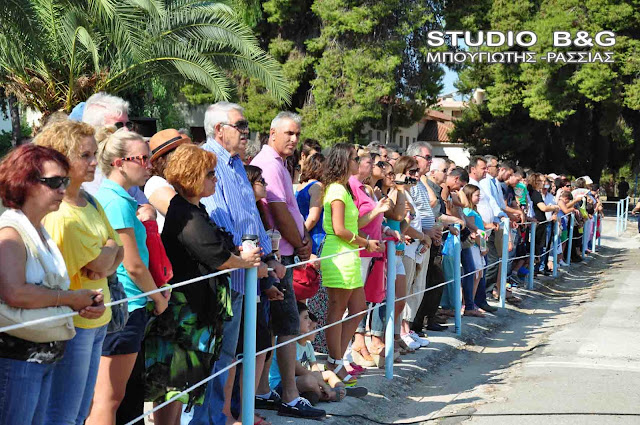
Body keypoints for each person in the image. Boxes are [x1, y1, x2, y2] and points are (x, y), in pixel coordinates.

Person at [144, 145, 261, 424]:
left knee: (181, 387)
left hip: (196, 311)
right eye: (210, 174)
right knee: (173, 384)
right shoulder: (184, 212)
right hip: (184, 314)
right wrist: (243, 261)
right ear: (193, 176)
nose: (215, 179)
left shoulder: (195, 209)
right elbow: (216, 257)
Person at [193, 102, 289, 425]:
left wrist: (269, 257)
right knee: (217, 354)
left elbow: (250, 217)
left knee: (231, 353)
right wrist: (246, 259)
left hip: (246, 272)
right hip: (226, 273)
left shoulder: (236, 164)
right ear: (219, 130)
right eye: (241, 126)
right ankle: (211, 420)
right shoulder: (208, 161)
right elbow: (218, 219)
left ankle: (222, 416)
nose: (247, 132)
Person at [0, 144, 104, 425]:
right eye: (54, 182)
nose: (62, 189)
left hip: (42, 355)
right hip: (18, 358)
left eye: (65, 181)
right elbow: (14, 292)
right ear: (23, 182)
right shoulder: (10, 232)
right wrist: (71, 299)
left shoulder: (37, 229)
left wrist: (81, 301)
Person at [32, 121, 123, 425]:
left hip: (98, 318)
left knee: (81, 412)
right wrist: (107, 253)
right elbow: (105, 261)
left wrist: (106, 254)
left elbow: (116, 254)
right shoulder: (61, 215)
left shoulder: (90, 201)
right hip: (74, 323)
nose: (94, 162)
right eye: (85, 155)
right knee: (64, 414)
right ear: (60, 158)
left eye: (94, 154)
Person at [87, 128, 170, 425]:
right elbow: (133, 264)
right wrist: (158, 299)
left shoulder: (115, 197)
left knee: (112, 398)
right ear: (119, 162)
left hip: (126, 303)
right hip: (127, 306)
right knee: (108, 399)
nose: (149, 165)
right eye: (142, 158)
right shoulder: (117, 201)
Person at [251, 112, 326, 419]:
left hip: (283, 254)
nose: (294, 139)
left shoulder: (278, 163)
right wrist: (300, 242)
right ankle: (290, 397)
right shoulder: (269, 163)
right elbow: (278, 211)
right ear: (272, 133)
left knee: (276, 327)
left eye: (297, 134)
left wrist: (301, 240)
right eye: (289, 133)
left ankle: (263, 391)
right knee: (286, 326)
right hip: (278, 256)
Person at [321, 143, 382, 386]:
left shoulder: (343, 188)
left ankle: (336, 358)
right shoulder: (337, 189)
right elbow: (339, 229)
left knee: (358, 308)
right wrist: (365, 243)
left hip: (348, 253)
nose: (358, 162)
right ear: (344, 161)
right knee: (337, 309)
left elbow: (348, 226)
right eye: (355, 158)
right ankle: (335, 361)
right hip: (339, 254)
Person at [405, 142, 439, 337]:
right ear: (414, 158)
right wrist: (425, 233)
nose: (430, 161)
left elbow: (428, 206)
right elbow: (411, 213)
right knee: (408, 288)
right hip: (413, 242)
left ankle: (408, 329)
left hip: (423, 241)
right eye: (427, 157)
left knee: (418, 287)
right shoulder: (409, 183)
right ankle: (403, 330)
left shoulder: (420, 183)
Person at [144, 129, 192, 232]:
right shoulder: (155, 183)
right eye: (181, 154)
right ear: (165, 160)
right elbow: (183, 215)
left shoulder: (180, 182)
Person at [460, 184, 486, 317]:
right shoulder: (468, 212)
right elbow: (472, 232)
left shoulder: (474, 210)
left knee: (479, 274)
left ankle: (472, 301)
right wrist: (483, 246)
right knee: (475, 274)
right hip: (473, 246)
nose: (479, 197)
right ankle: (467, 303)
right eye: (476, 195)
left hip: (478, 245)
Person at [296, 152, 326, 255]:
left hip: (301, 231)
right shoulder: (317, 186)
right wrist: (301, 236)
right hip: (314, 237)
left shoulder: (300, 186)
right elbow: (313, 218)